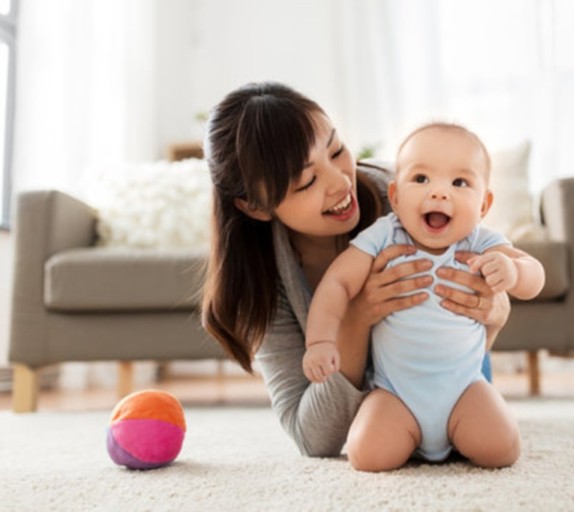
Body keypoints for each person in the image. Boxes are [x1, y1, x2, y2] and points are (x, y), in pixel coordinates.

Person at [201, 81, 517, 459]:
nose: (340, 182)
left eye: (336, 150)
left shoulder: (410, 200)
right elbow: (313, 438)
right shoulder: (262, 282)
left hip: (459, 384)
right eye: (307, 181)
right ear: (255, 206)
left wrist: (495, 311)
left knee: (493, 441)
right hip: (385, 415)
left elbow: (490, 277)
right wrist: (356, 318)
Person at [303, 122, 545, 471]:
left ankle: (458, 432)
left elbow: (534, 274)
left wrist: (515, 272)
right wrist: (320, 341)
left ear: (484, 204)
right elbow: (337, 283)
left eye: (459, 183)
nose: (439, 193)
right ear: (396, 196)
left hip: (465, 389)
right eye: (421, 179)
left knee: (501, 449)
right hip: (395, 394)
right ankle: (409, 436)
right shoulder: (385, 235)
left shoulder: (481, 242)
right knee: (367, 455)